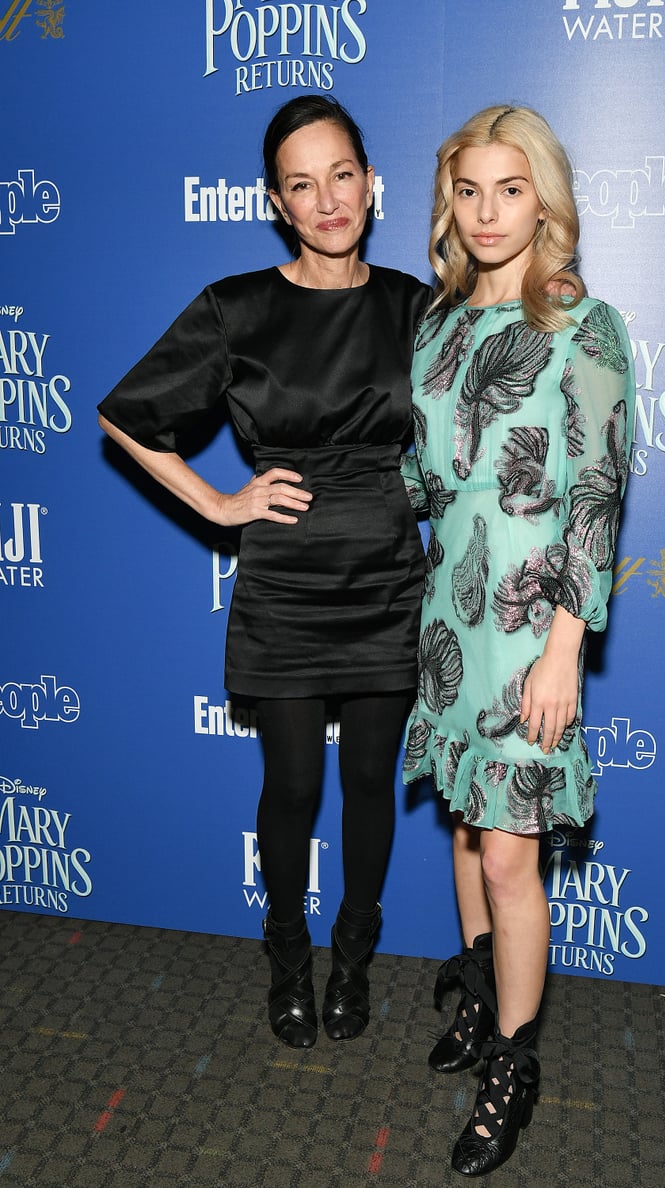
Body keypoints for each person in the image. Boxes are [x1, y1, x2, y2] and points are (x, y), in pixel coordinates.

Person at [98, 95, 432, 1050]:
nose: (326, 199)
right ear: (277, 204)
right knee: (291, 787)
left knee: (371, 780)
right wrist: (218, 502)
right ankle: (286, 957)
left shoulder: (419, 306)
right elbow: (127, 414)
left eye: (341, 176)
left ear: (371, 185)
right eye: (301, 184)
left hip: (387, 575)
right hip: (285, 578)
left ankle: (353, 961)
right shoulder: (236, 307)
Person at [402, 105, 635, 1176]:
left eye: (510, 189)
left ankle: (514, 1060)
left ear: (544, 199)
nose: (488, 211)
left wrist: (564, 644)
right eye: (468, 190)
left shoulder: (582, 326)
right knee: (463, 828)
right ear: (448, 203)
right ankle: (482, 989)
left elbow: (597, 490)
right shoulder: (438, 326)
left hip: (529, 621)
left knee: (509, 851)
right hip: (449, 611)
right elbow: (422, 477)